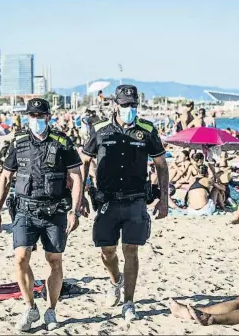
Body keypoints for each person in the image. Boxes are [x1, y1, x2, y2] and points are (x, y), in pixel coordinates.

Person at [0, 98, 84, 332]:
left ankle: (51, 309)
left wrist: (75, 210)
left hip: (55, 211)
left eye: (40, 116)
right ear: (27, 117)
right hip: (24, 209)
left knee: (54, 260)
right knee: (21, 257)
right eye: (32, 116)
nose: (36, 120)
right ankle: (30, 306)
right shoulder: (19, 142)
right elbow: (4, 177)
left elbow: (76, 176)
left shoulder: (62, 141)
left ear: (48, 117)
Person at [79, 84, 169, 322]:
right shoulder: (99, 129)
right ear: (115, 105)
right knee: (107, 251)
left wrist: (164, 200)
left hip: (136, 200)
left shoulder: (147, 129)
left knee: (131, 250)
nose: (130, 109)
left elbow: (161, 164)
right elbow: (84, 162)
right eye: (125, 104)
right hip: (107, 201)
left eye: (133, 105)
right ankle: (114, 280)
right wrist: (81, 197)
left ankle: (129, 302)